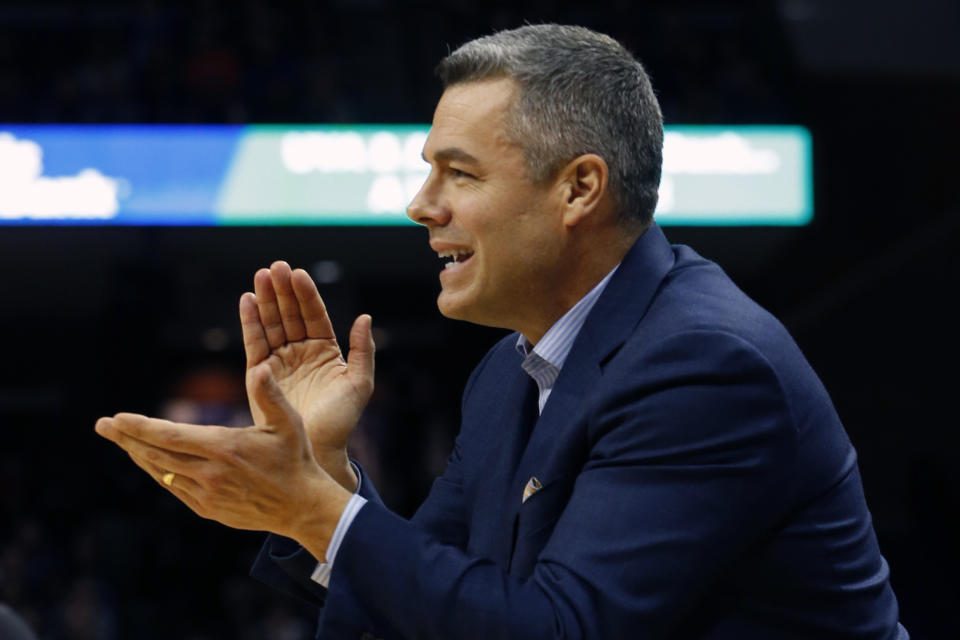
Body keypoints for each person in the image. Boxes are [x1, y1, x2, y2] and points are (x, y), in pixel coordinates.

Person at [96, 24, 908, 639]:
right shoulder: (507, 372)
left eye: (459, 172)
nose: (421, 204)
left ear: (579, 188)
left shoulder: (704, 365)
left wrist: (312, 511)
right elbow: (437, 610)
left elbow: (558, 628)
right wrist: (325, 476)